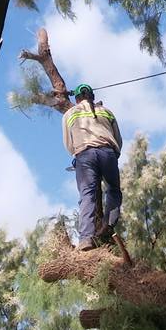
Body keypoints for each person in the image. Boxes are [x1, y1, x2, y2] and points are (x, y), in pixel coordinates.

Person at [62, 83, 123, 250]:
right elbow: (118, 139)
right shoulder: (107, 111)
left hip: (84, 155)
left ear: (77, 99)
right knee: (113, 190)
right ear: (93, 97)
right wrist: (112, 155)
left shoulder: (70, 113)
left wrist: (78, 156)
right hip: (108, 152)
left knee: (87, 196)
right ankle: (108, 226)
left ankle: (86, 240)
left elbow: (69, 143)